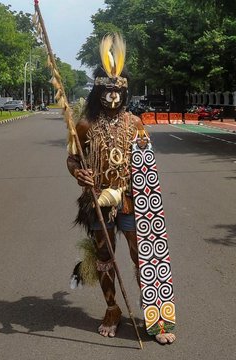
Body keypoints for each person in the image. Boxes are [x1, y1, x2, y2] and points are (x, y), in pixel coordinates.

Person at [66, 34, 176, 344]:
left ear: (124, 93)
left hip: (132, 201)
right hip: (99, 201)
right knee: (105, 255)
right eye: (107, 91)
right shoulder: (86, 124)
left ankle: (155, 314)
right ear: (98, 91)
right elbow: (72, 158)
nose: (112, 97)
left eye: (117, 92)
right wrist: (80, 173)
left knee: (142, 255)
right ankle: (112, 308)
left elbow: (147, 163)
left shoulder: (136, 123)